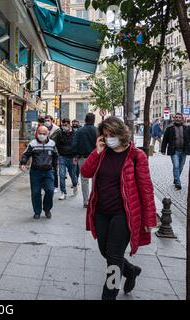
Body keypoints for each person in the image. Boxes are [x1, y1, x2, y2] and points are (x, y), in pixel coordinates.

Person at [81, 116, 157, 300]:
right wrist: (96, 152)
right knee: (105, 252)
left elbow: (146, 188)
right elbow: (85, 172)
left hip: (123, 214)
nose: (109, 138)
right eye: (105, 135)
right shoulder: (103, 153)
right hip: (101, 212)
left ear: (121, 134)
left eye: (112, 134)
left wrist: (149, 219)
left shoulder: (136, 156)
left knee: (113, 259)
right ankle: (130, 270)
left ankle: (109, 295)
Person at [19, 125, 58, 219]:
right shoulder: (32, 144)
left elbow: (55, 155)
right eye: (39, 133)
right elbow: (26, 154)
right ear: (36, 134)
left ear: (47, 134)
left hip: (48, 171)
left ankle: (47, 209)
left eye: (43, 134)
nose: (41, 135)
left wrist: (55, 167)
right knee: (36, 192)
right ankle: (37, 211)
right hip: (36, 172)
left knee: (50, 190)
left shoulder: (52, 144)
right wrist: (23, 163)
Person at [72, 113, 97, 208]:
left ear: (85, 120)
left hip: (83, 158)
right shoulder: (98, 131)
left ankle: (86, 201)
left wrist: (75, 156)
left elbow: (74, 144)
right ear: (93, 120)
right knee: (96, 179)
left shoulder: (79, 131)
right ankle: (94, 199)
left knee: (84, 179)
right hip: (96, 159)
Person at [161, 113, 190, 190]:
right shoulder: (170, 128)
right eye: (176, 117)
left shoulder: (186, 127)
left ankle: (176, 179)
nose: (177, 118)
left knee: (181, 166)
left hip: (184, 150)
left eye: (179, 117)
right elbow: (165, 140)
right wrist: (163, 149)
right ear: (174, 118)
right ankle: (178, 182)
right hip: (174, 150)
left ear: (182, 118)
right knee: (176, 166)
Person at [55, 118, 78, 200]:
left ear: (69, 124)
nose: (64, 127)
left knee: (73, 175)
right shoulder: (60, 134)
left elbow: (77, 145)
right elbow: (57, 145)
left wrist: (76, 156)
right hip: (62, 157)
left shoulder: (75, 134)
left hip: (72, 157)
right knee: (61, 175)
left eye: (66, 125)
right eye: (63, 125)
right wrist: (59, 153)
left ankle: (75, 185)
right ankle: (63, 192)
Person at [44, 115, 60, 193]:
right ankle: (44, 186)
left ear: (52, 121)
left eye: (48, 120)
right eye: (45, 120)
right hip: (44, 152)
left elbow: (60, 141)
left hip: (54, 152)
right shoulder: (42, 128)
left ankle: (55, 186)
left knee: (54, 168)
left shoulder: (57, 129)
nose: (46, 122)